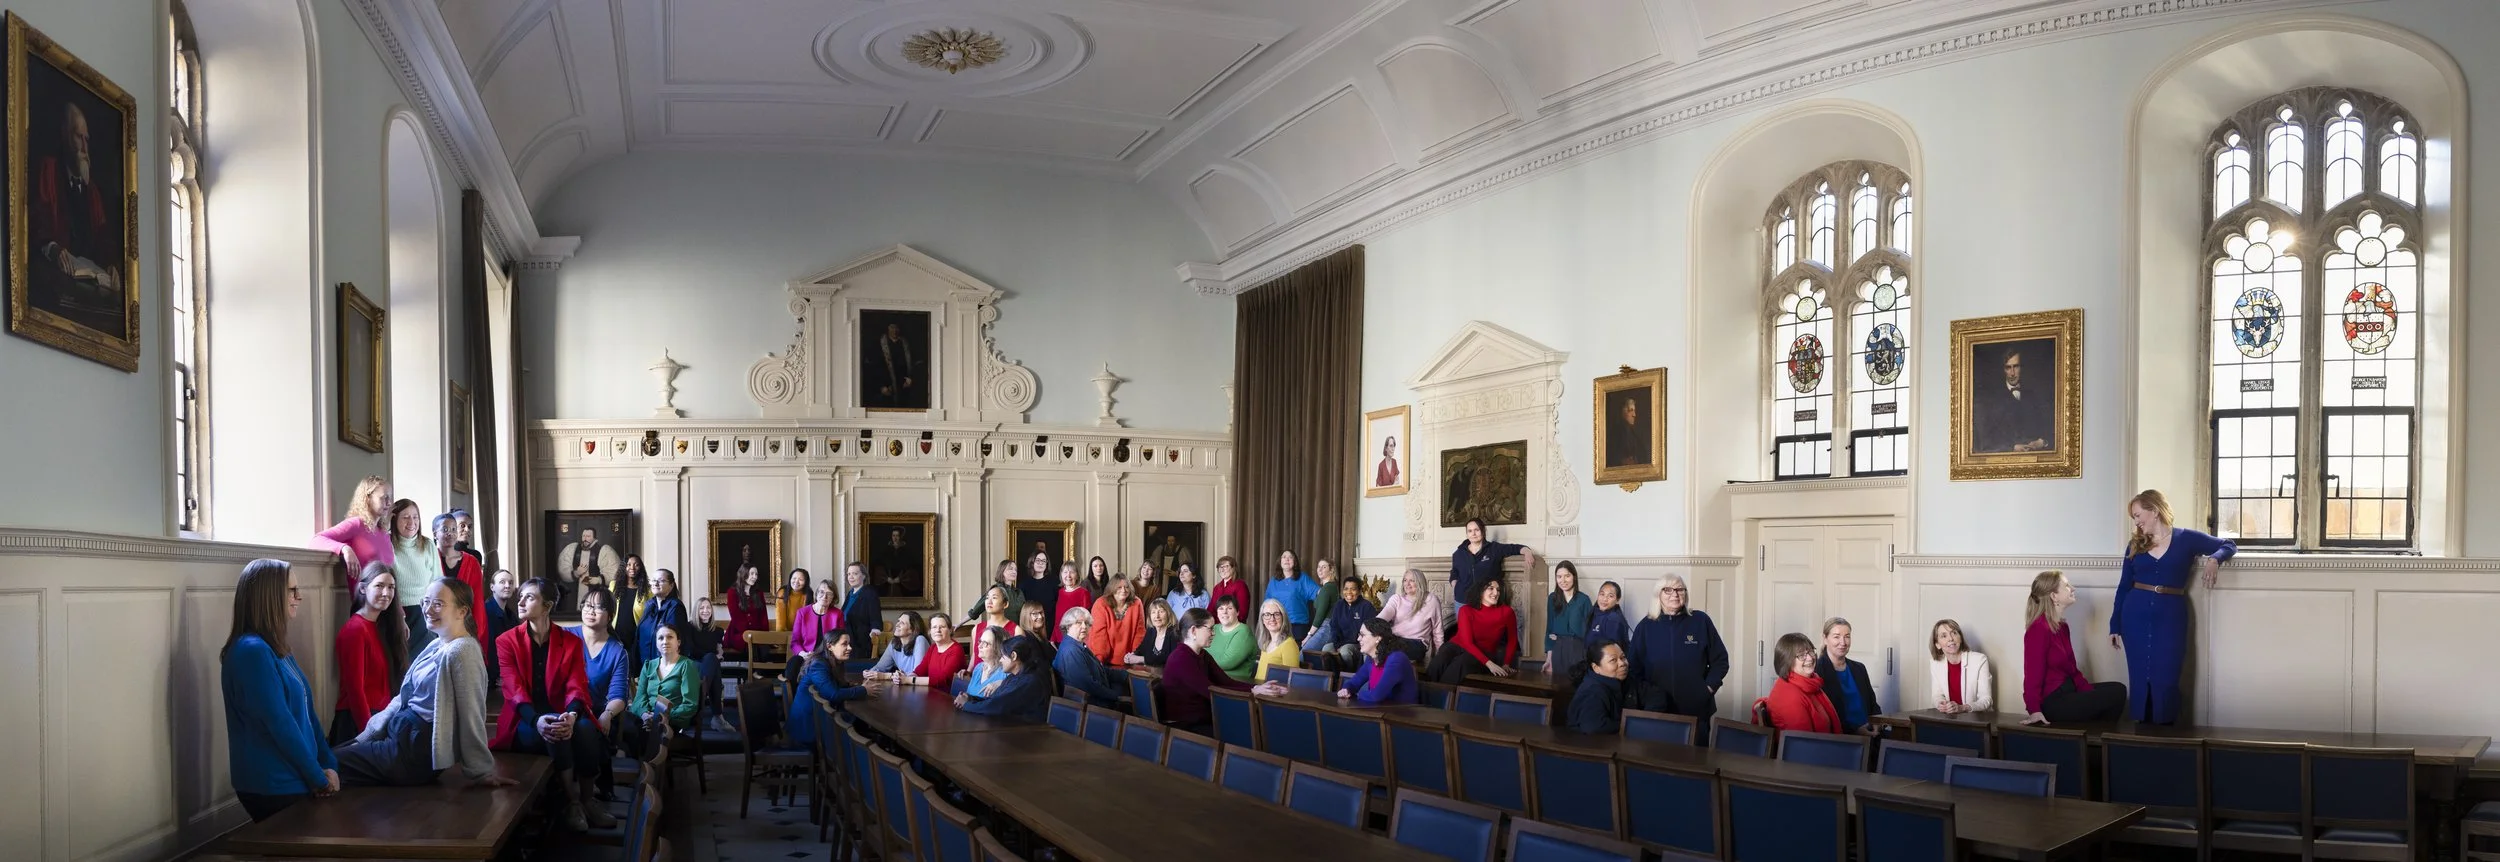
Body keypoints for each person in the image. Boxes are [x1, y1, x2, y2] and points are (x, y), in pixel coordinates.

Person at [333, 577, 512, 789]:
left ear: (462, 612)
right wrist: (368, 734)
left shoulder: (462, 651)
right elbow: (403, 698)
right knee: (328, 757)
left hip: (414, 751)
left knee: (328, 764)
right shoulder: (438, 644)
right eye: (425, 602)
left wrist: (481, 771)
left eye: (438, 604)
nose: (427, 610)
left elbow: (471, 713)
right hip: (400, 737)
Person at [491, 577, 613, 831]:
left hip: (562, 713)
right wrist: (537, 720)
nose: (520, 601)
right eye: (521, 596)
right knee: (555, 734)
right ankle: (573, 802)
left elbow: (577, 684)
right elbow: (513, 690)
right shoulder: (506, 641)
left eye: (529, 597)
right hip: (524, 720)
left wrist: (571, 714)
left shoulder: (570, 642)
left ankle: (589, 800)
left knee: (587, 729)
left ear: (546, 607)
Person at [221, 560, 338, 821]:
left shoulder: (276, 647)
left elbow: (307, 715)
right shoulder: (251, 651)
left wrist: (328, 763)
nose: (299, 597)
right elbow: (280, 725)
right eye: (292, 590)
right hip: (273, 783)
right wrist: (318, 778)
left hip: (299, 776)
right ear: (269, 596)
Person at [2112, 489, 2233, 725]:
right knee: (2139, 676)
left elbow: (2228, 544)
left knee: (2167, 676)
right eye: (2134, 518)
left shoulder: (2187, 538)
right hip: (2134, 616)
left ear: (2154, 511)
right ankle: (2141, 733)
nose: (2136, 522)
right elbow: (2123, 586)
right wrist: (2114, 625)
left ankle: (2166, 732)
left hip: (2171, 616)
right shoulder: (2134, 545)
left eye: (2138, 515)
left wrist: (2214, 559)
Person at [1627, 574, 1728, 729]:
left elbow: (1720, 660)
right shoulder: (1645, 626)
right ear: (1658, 595)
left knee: (1697, 753)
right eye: (1668, 590)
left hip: (1696, 709)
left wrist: (1707, 689)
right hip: (1657, 711)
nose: (1675, 594)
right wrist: (1648, 698)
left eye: (1680, 589)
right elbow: (1634, 668)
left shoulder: (1701, 621)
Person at [2026, 571, 2127, 725]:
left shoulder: (2062, 627)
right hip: (2053, 701)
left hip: (2069, 690)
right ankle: (2097, 740)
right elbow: (2032, 674)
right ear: (2054, 596)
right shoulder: (2038, 629)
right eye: (2066, 586)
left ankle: (2096, 738)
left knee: (2118, 689)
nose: (2072, 588)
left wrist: (2089, 693)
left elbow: (2072, 670)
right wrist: (2034, 710)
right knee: (2115, 694)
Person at [1161, 609, 1270, 734]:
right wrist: (1253, 692)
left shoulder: (1202, 654)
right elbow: (1211, 691)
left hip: (1204, 717)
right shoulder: (1180, 658)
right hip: (1185, 726)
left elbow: (1226, 682)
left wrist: (1257, 687)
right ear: (1193, 631)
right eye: (1210, 629)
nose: (1214, 633)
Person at [569, 588, 634, 797]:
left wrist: (607, 714)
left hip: (598, 715)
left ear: (610, 615)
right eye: (587, 605)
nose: (591, 611)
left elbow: (619, 696)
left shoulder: (617, 651)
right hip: (566, 709)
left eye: (598, 607)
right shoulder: (567, 637)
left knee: (588, 732)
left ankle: (585, 795)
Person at [334, 562, 407, 744]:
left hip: (381, 719)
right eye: (379, 586)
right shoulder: (355, 629)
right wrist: (369, 734)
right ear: (363, 589)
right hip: (357, 724)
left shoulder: (383, 627)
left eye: (391, 587)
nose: (386, 593)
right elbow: (355, 691)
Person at [620, 622, 702, 760]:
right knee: (625, 721)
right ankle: (639, 772)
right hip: (647, 720)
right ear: (656, 643)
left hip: (672, 721)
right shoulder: (649, 666)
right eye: (661, 638)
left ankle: (648, 774)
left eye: (670, 637)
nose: (665, 641)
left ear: (678, 642)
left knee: (646, 733)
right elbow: (639, 699)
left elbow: (690, 705)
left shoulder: (686, 665)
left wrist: (662, 717)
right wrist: (645, 715)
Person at [1449, 518, 1538, 633]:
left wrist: (1527, 551)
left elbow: (1515, 548)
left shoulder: (1494, 549)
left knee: (1486, 636)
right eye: (1470, 531)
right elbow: (1454, 571)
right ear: (1467, 533)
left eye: (1476, 530)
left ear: (1483, 531)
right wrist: (1455, 584)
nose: (1473, 533)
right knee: (1466, 636)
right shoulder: (1458, 553)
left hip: (1486, 601)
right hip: (1462, 601)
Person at [311, 477, 394, 599]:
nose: (389, 502)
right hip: (364, 606)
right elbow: (316, 540)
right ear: (368, 498)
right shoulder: (356, 524)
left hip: (388, 604)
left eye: (390, 497)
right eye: (384, 497)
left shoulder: (384, 533)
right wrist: (345, 549)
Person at [1428, 578, 1518, 685]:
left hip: (1484, 651)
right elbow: (1467, 643)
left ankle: (1442, 698)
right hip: (1458, 645)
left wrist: (1506, 663)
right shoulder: (1466, 610)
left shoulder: (1507, 612)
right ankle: (1424, 695)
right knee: (1440, 659)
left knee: (1460, 663)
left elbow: (1512, 640)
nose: (1496, 593)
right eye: (1491, 588)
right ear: (1480, 591)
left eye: (1498, 590)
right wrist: (1490, 664)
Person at [790, 630, 871, 744]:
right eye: (844, 644)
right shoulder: (819, 664)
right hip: (809, 727)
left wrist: (852, 687)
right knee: (857, 725)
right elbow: (832, 693)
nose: (850, 648)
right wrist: (863, 690)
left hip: (816, 718)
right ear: (829, 646)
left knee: (858, 723)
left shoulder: (830, 661)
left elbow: (833, 687)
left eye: (849, 644)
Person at [386, 500, 444, 656]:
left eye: (415, 517)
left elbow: (438, 581)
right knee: (399, 665)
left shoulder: (427, 544)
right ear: (394, 520)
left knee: (423, 663)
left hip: (424, 612)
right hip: (395, 611)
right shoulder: (386, 543)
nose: (411, 522)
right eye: (405, 517)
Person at [1975, 344, 2055, 453]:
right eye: (2008, 367)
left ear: (2021, 367)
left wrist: (2042, 442)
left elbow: (2049, 429)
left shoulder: (2033, 396)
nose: (2012, 373)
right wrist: (2012, 447)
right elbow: (1986, 440)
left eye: (2016, 366)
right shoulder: (1993, 399)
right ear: (2003, 370)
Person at [1814, 617, 1883, 735]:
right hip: (1843, 737)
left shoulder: (1859, 668)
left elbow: (1873, 704)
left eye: (1847, 636)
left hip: (1871, 732)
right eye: (1836, 636)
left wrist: (1877, 722)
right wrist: (1856, 730)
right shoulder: (1817, 671)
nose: (1843, 642)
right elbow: (1825, 716)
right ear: (1825, 639)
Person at [1765, 633, 1844, 733]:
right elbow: (1803, 744)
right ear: (1786, 660)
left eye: (1811, 651)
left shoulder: (1810, 683)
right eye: (1802, 655)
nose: (1810, 658)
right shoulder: (1790, 696)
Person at [959, 636, 1052, 721]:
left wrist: (966, 705)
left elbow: (997, 706)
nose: (1000, 660)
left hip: (1027, 733)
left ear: (1013, 656)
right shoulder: (1013, 676)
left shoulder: (1029, 681)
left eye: (1003, 656)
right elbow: (994, 699)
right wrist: (971, 699)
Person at [1055, 608, 1128, 709]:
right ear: (1068, 626)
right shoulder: (1071, 650)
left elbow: (1101, 670)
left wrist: (1127, 675)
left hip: (1094, 701)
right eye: (1079, 623)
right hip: (1090, 707)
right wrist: (1115, 696)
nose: (1084, 627)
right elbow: (1087, 685)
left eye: (1087, 623)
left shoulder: (1077, 645)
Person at [1335, 618, 1418, 706]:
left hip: (1402, 715)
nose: (1358, 639)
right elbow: (1354, 682)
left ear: (1378, 638)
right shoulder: (1371, 658)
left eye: (1362, 635)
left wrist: (1356, 695)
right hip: (1379, 711)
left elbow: (1376, 696)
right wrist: (1347, 689)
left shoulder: (1397, 659)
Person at [1929, 619, 1995, 715]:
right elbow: (1937, 695)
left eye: (1954, 633)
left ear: (1960, 638)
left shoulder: (1980, 660)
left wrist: (1963, 708)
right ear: (1937, 644)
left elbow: (1986, 700)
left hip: (1977, 720)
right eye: (1944, 636)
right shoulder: (1935, 663)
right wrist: (1941, 704)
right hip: (1949, 719)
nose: (1950, 639)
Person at [1567, 641, 1632, 734]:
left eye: (1623, 657)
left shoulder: (1623, 680)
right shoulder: (1592, 692)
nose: (1622, 663)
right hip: (1588, 745)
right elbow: (1593, 726)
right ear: (1596, 667)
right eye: (1613, 660)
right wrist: (1632, 725)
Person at [432, 514, 486, 622]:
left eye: (453, 529)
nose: (450, 533)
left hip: (462, 623)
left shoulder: (472, 562)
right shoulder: (429, 558)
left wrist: (477, 632)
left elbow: (478, 600)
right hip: (434, 622)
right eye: (445, 529)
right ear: (435, 534)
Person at [687, 596, 730, 732]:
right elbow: (690, 650)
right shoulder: (689, 627)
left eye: (708, 608)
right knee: (713, 661)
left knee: (713, 663)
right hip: (694, 664)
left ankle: (696, 709)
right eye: (702, 608)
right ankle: (718, 717)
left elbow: (719, 649)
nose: (705, 611)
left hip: (709, 666)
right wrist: (712, 656)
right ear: (696, 611)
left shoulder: (717, 631)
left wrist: (719, 653)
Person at [1317, 575, 1378, 670]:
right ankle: (1332, 678)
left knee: (1345, 651)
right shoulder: (1339, 605)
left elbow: (1368, 632)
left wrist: (1344, 645)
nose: (1349, 592)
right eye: (1346, 589)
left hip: (1358, 644)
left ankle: (1347, 675)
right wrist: (1337, 644)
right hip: (1340, 643)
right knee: (1326, 649)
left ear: (1359, 591)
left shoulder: (1366, 607)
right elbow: (1334, 627)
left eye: (1353, 589)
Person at [556, 526, 623, 611]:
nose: (585, 539)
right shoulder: (572, 549)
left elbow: (614, 571)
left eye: (588, 536)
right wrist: (576, 573)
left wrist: (599, 580)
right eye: (583, 536)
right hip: (574, 593)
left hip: (595, 592)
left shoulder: (604, 551)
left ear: (594, 537)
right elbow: (562, 569)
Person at [1377, 568, 1442, 655]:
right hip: (1395, 639)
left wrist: (1439, 654)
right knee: (1373, 645)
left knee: (1388, 648)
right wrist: (1369, 630)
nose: (1407, 584)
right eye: (1405, 580)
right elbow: (1381, 618)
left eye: (1412, 580)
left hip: (1417, 643)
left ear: (1420, 582)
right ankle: (1368, 669)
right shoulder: (1396, 599)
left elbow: (1437, 629)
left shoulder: (1431, 600)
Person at [1545, 561, 1595, 675]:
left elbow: (1590, 631)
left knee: (1576, 686)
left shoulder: (1584, 600)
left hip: (1578, 649)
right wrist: (1549, 658)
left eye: (1567, 576)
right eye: (1559, 577)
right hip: (1558, 648)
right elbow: (1549, 628)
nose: (1563, 580)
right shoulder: (1552, 599)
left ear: (1574, 577)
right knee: (1558, 686)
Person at [636, 569, 688, 672]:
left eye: (661, 580)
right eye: (653, 580)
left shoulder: (676, 607)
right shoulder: (649, 605)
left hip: (666, 669)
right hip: (646, 667)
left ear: (671, 585)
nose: (655, 583)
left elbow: (671, 642)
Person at [1087, 575, 1147, 665]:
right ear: (1112, 588)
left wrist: (1135, 656)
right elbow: (1099, 636)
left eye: (1126, 587)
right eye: (1119, 587)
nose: (1123, 590)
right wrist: (1099, 661)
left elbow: (1140, 633)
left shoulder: (1136, 603)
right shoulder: (1100, 604)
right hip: (1105, 661)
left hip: (1129, 660)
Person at [481, 569, 520, 693]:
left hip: (504, 677)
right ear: (492, 586)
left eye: (510, 582)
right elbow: (490, 648)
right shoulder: (485, 612)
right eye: (502, 582)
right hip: (489, 679)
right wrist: (500, 675)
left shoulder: (511, 616)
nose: (507, 586)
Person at [1266, 551, 1318, 640]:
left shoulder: (1303, 578)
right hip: (1277, 624)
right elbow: (1267, 604)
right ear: (1280, 561)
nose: (1287, 559)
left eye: (1290, 557)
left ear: (1295, 561)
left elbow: (1318, 593)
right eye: (1284, 557)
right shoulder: (1273, 581)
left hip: (1298, 625)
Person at [910, 613, 971, 688]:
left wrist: (910, 680)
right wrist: (906, 677)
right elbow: (919, 671)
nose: (938, 630)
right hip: (931, 694)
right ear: (930, 631)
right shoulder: (933, 648)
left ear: (950, 630)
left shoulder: (956, 649)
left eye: (942, 627)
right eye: (934, 627)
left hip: (948, 697)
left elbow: (942, 680)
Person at [865, 611, 929, 681]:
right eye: (898, 621)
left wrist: (886, 676)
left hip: (923, 688)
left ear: (912, 629)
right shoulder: (894, 643)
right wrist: (869, 673)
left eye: (902, 623)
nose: (897, 625)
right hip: (906, 687)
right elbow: (880, 667)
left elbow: (917, 675)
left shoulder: (920, 640)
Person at [1207, 597, 1259, 682]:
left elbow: (1226, 663)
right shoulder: (1214, 628)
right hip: (1211, 681)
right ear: (1217, 612)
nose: (1224, 612)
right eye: (1221, 608)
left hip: (1234, 687)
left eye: (1229, 608)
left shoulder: (1243, 631)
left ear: (1237, 612)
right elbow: (1200, 650)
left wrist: (1201, 660)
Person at [838, 562, 883, 657]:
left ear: (863, 576)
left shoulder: (870, 593)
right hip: (847, 639)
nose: (850, 577)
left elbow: (875, 617)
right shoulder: (850, 593)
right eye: (849, 574)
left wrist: (875, 629)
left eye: (855, 573)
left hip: (860, 643)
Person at [969, 585, 1018, 674]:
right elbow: (975, 655)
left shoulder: (1016, 630)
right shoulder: (976, 629)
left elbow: (1018, 664)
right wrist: (968, 671)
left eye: (994, 598)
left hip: (1003, 681)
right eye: (987, 598)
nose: (989, 601)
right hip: (979, 678)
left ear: (1005, 604)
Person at [790, 579, 843, 660]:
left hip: (828, 657)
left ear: (834, 597)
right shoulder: (802, 613)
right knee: (793, 663)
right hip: (806, 655)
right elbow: (795, 642)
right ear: (817, 593)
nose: (824, 596)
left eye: (829, 594)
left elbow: (840, 641)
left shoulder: (837, 614)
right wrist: (803, 654)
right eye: (821, 592)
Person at [725, 565, 770, 660]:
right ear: (743, 574)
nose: (755, 577)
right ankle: (755, 672)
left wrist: (765, 635)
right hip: (739, 633)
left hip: (757, 633)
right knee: (751, 642)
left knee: (763, 645)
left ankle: (761, 671)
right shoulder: (732, 592)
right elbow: (736, 616)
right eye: (752, 574)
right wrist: (752, 634)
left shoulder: (759, 593)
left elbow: (763, 616)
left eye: (756, 574)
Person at [1253, 598, 1303, 681]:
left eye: (1276, 614)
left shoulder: (1289, 644)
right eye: (1267, 614)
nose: (1272, 619)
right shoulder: (1266, 643)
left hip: (1274, 692)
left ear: (1283, 618)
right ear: (1262, 620)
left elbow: (1292, 681)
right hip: (1258, 689)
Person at [965, 560, 1024, 624]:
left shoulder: (1018, 592)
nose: (1014, 572)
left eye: (1015, 569)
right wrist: (958, 624)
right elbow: (975, 611)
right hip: (1000, 630)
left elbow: (1025, 613)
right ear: (1002, 571)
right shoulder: (995, 590)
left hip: (1017, 630)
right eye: (1010, 569)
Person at [1128, 601, 1181, 667]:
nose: (1157, 616)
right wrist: (1132, 655)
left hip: (1168, 675)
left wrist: (1143, 659)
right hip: (1151, 675)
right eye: (1153, 612)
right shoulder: (1151, 631)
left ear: (1168, 614)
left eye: (1161, 611)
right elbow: (1141, 649)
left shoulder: (1175, 633)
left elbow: (1169, 659)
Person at [1051, 563, 1093, 643]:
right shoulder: (1060, 592)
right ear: (1061, 575)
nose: (1068, 575)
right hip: (1058, 638)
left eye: (1072, 572)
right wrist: (1053, 638)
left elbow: (1085, 620)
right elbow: (1057, 619)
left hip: (1075, 638)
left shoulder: (1083, 593)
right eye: (1065, 572)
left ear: (1077, 575)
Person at [1606, 394, 1651, 467]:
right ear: (1622, 412)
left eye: (1634, 411)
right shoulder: (1614, 433)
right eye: (1630, 410)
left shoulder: (1634, 435)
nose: (1634, 415)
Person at [964, 628, 1011, 699]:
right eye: (980, 641)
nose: (979, 646)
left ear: (998, 648)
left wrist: (1003, 683)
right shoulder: (978, 668)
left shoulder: (1006, 673)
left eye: (985, 643)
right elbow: (968, 695)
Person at [1208, 556, 1253, 625]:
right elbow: (1211, 610)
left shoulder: (1240, 585)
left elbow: (1242, 613)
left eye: (1225, 566)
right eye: (1220, 567)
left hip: (1234, 627)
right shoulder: (1217, 588)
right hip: (1216, 627)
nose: (1222, 570)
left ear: (1233, 568)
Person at [1019, 552, 1059, 627]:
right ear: (1032, 562)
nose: (1040, 563)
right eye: (1038, 560)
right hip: (1030, 625)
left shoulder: (1054, 582)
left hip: (1050, 624)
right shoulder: (1024, 584)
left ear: (1046, 564)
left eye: (1043, 561)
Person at [1587, 581, 1630, 647]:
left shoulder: (1613, 619)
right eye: (1602, 594)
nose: (1605, 599)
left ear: (1617, 600)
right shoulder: (1595, 612)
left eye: (1610, 596)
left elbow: (1612, 650)